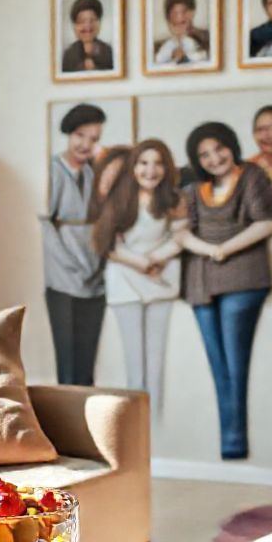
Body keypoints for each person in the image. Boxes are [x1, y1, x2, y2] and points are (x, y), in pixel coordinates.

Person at [182, 122, 272, 459]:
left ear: (231, 145)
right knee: (218, 365)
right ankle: (231, 443)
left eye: (218, 148)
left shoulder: (252, 176)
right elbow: (182, 232)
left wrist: (224, 249)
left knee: (236, 365)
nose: (214, 158)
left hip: (244, 280)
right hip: (201, 282)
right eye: (204, 154)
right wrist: (210, 251)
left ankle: (235, 443)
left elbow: (267, 221)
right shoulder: (195, 189)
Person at [91, 139, 187, 411]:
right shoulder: (121, 197)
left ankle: (156, 430)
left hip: (160, 281)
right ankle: (136, 429)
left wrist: (155, 259)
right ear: (133, 167)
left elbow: (179, 238)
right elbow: (106, 244)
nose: (150, 170)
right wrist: (140, 262)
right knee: (134, 363)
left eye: (158, 163)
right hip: (124, 281)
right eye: (144, 163)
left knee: (156, 360)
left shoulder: (174, 200)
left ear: (167, 167)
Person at [42, 103, 108, 385]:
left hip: (94, 274)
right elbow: (47, 226)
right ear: (69, 133)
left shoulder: (93, 172)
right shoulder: (53, 170)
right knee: (67, 361)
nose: (86, 144)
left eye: (93, 139)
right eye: (80, 135)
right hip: (63, 277)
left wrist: (96, 264)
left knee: (88, 361)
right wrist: (71, 266)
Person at [153, 0, 210, 66]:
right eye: (175, 13)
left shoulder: (208, 38)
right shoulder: (160, 47)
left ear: (192, 12)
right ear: (168, 18)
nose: (180, 17)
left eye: (184, 11)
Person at [62, 0, 114, 72]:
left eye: (92, 20)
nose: (87, 26)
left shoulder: (109, 53)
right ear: (74, 26)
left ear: (99, 23)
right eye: (82, 21)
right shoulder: (68, 55)